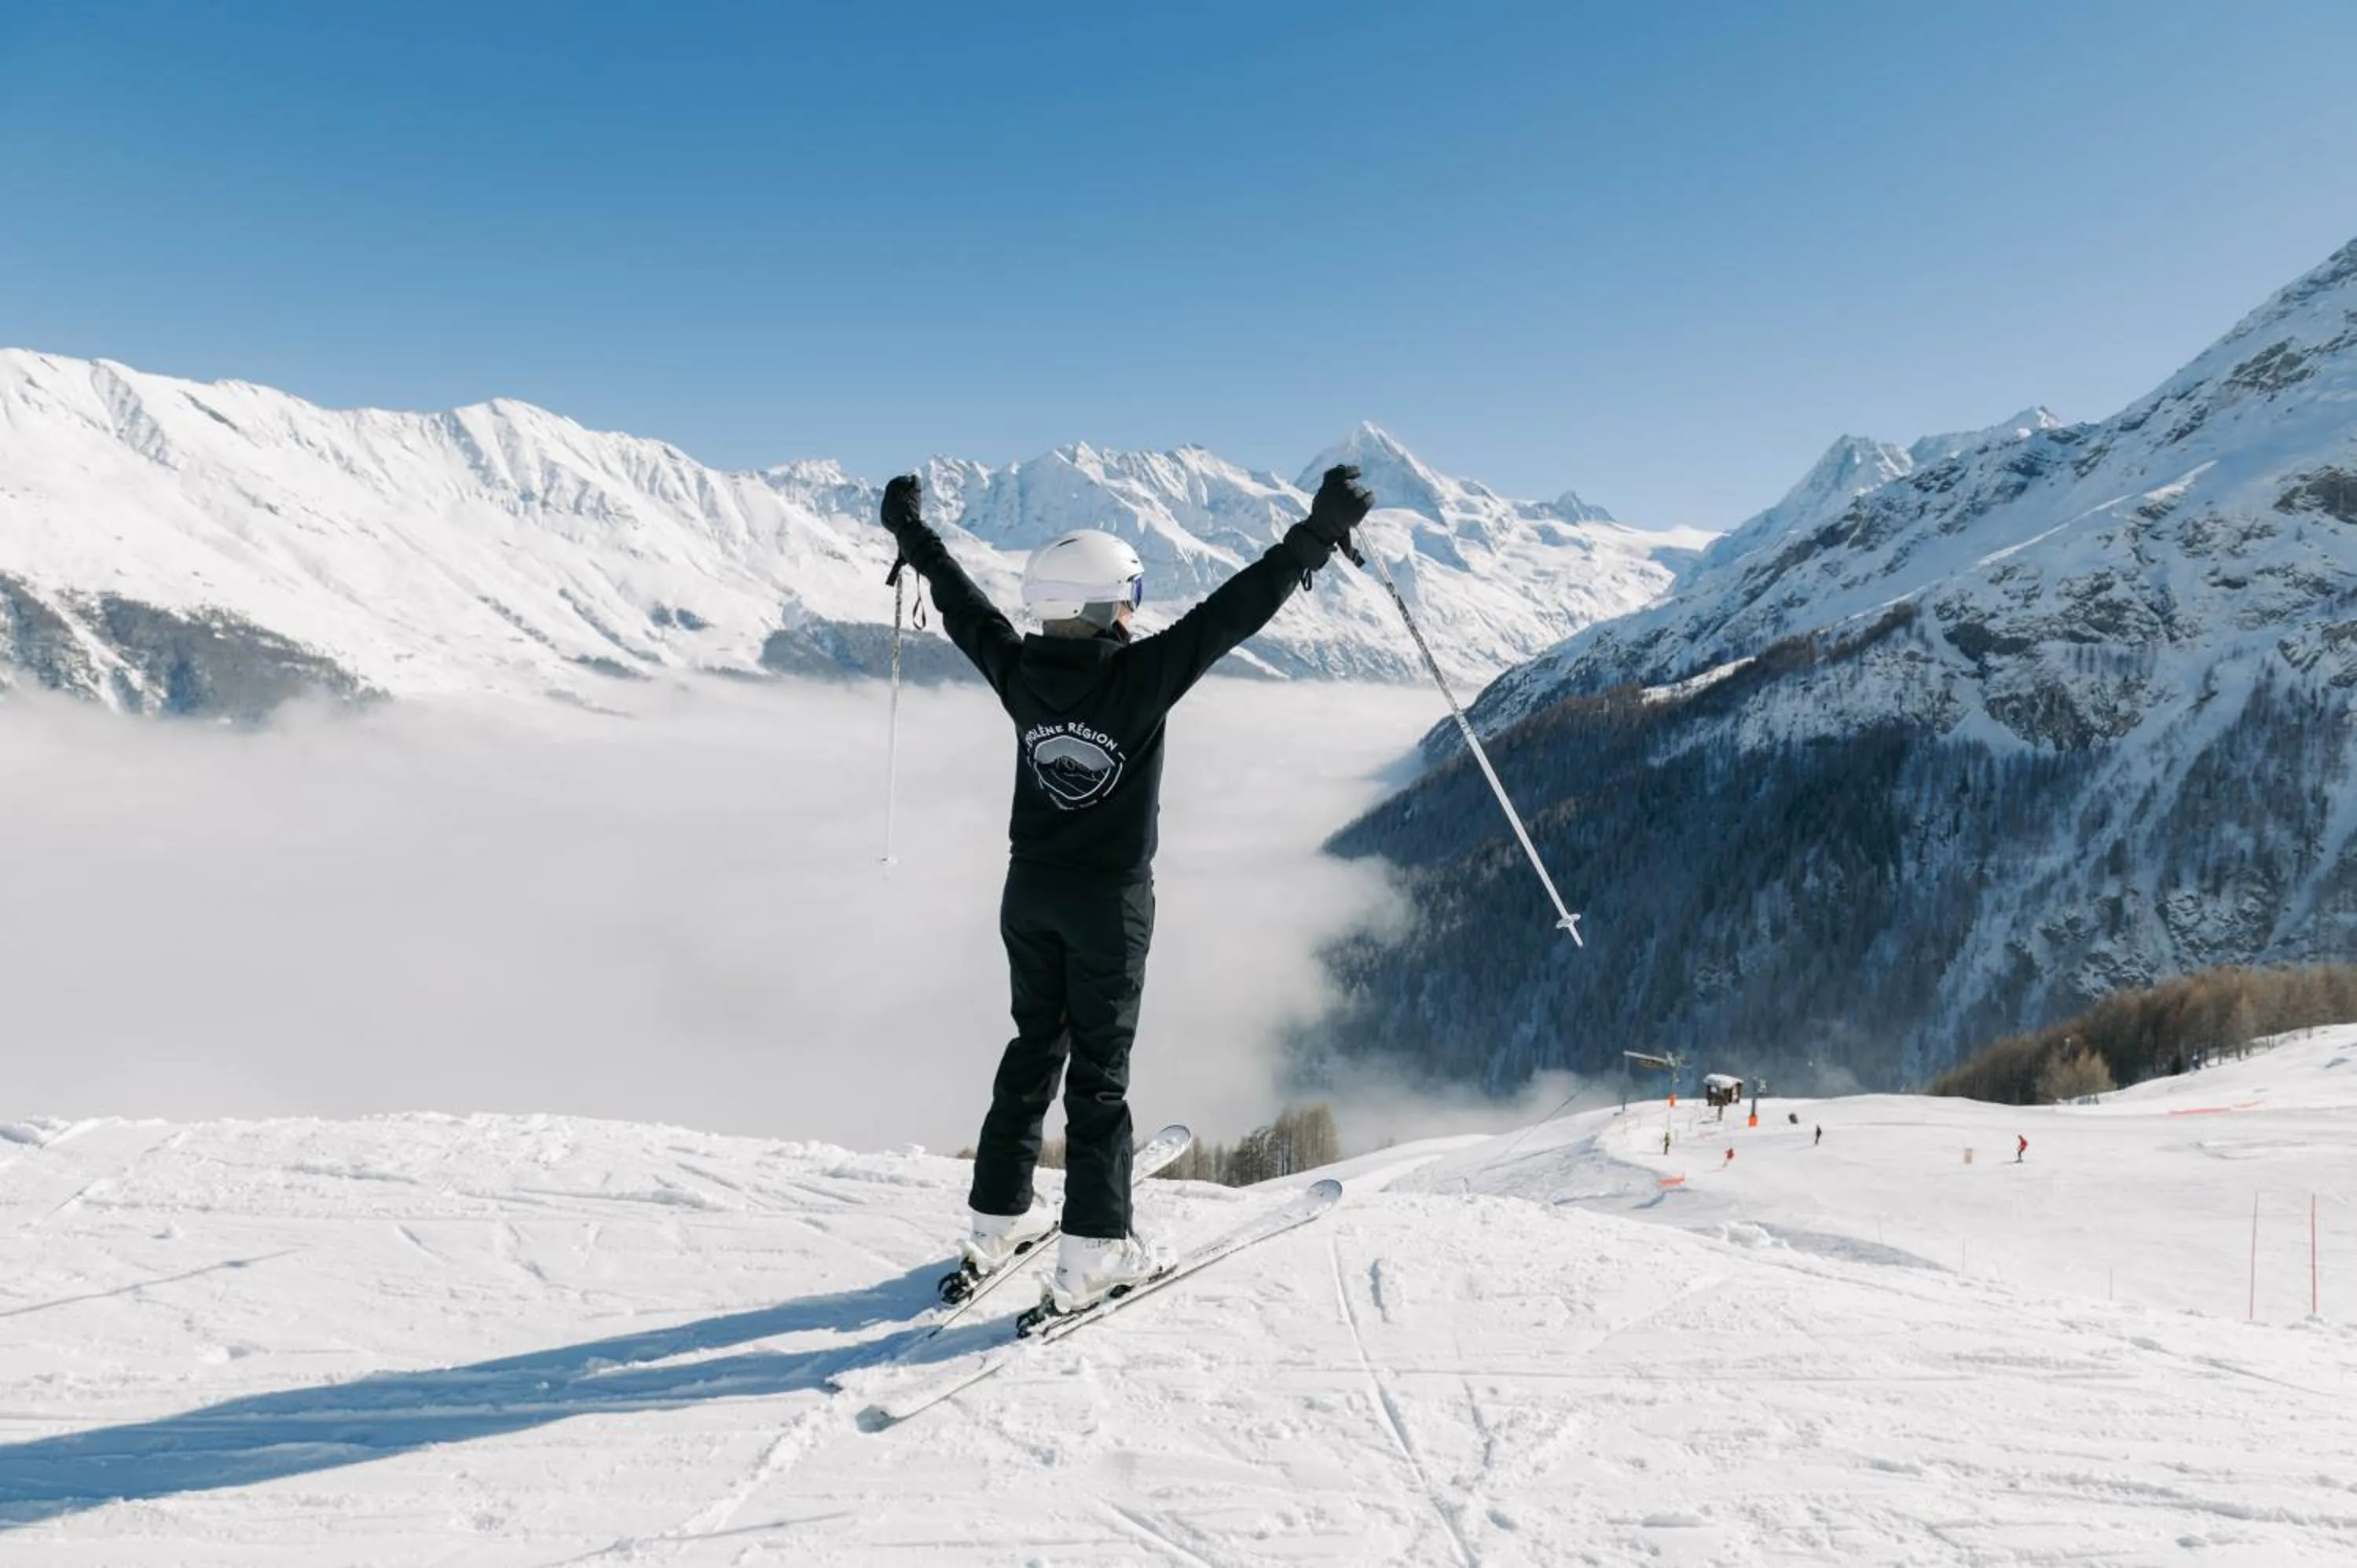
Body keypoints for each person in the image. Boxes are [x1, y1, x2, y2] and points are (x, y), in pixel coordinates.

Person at [879, 464, 1375, 1317]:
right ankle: (1093, 1256)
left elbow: (961, 604)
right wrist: (1317, 536)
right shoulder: (1140, 677)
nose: (1135, 612)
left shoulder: (1019, 668)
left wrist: (911, 534)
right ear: (1108, 604)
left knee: (1033, 1047)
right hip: (1108, 905)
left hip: (1028, 894)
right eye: (1129, 597)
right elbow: (1231, 613)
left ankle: (996, 1221)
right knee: (1100, 1077)